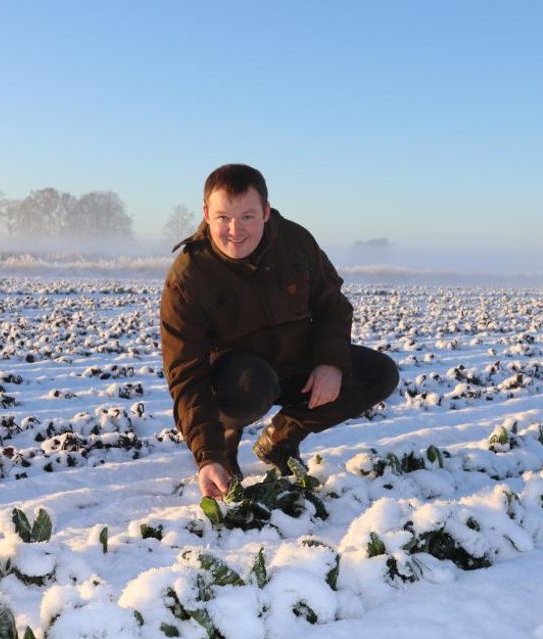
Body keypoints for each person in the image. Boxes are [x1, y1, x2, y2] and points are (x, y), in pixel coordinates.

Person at [160, 164, 399, 498]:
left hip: (294, 363)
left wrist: (330, 362)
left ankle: (280, 440)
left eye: (247, 217)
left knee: (378, 373)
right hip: (237, 379)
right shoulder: (189, 276)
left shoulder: (296, 242)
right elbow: (185, 373)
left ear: (266, 212)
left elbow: (332, 304)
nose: (235, 230)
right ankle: (226, 446)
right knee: (251, 384)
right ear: (206, 214)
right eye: (223, 218)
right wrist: (207, 455)